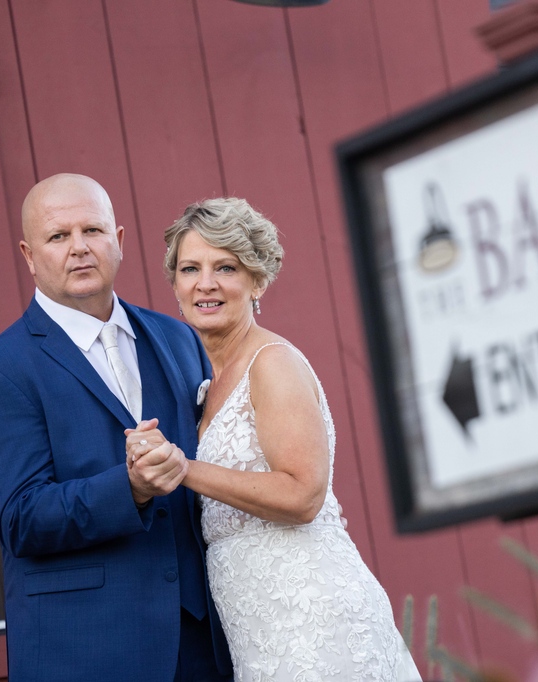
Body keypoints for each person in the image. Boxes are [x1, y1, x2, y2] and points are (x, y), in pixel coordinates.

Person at [126, 197, 422, 681]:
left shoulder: (273, 363)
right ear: (175, 285)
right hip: (256, 629)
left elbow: (304, 495)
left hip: (312, 615)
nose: (206, 283)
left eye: (226, 267)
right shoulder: (207, 385)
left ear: (257, 280)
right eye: (190, 268)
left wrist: (182, 467)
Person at [0, 174, 232, 681]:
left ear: (119, 241)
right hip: (87, 652)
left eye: (93, 231)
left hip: (203, 645)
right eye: (58, 236)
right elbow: (21, 518)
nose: (79, 248)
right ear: (28, 254)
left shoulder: (178, 338)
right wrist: (129, 489)